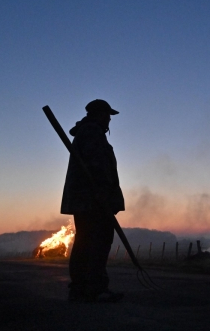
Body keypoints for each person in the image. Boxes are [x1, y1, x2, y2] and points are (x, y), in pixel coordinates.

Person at [61, 99, 125, 302]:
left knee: (86, 242)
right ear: (99, 114)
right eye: (107, 115)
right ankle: (92, 288)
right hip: (93, 200)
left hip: (88, 199)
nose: (109, 120)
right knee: (97, 242)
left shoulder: (88, 132)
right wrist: (105, 194)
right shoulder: (91, 133)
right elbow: (97, 166)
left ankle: (82, 288)